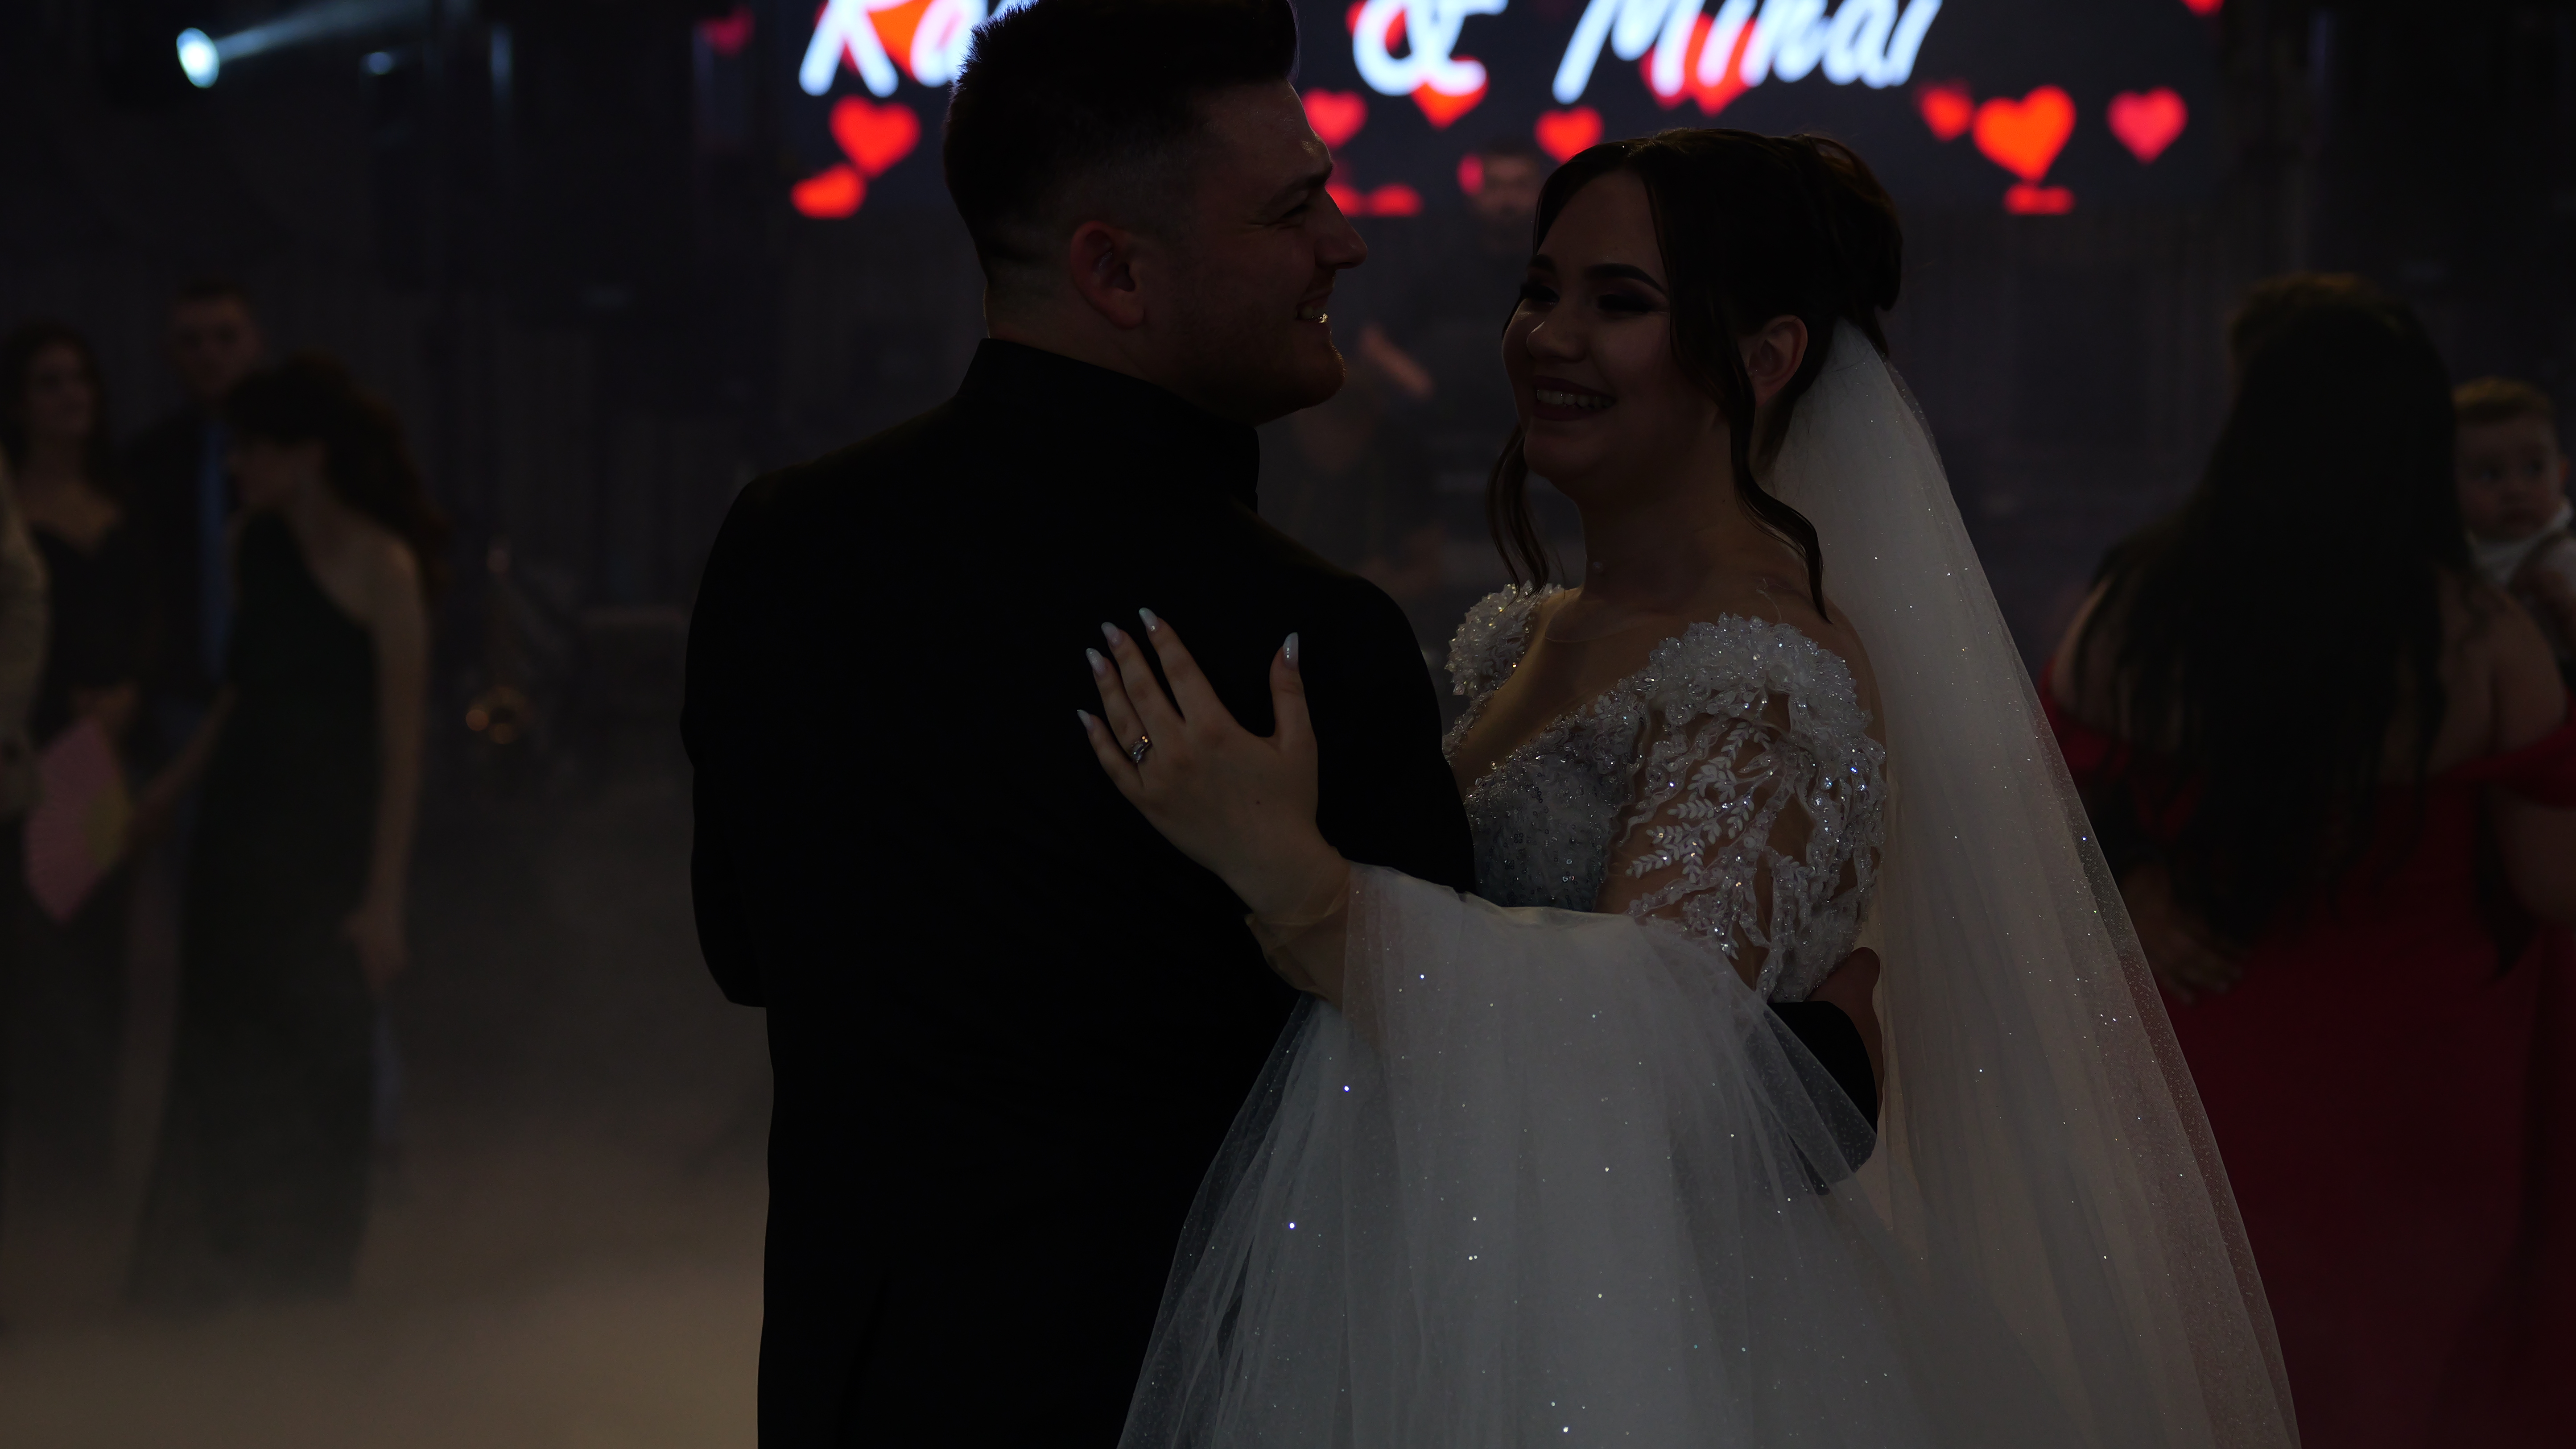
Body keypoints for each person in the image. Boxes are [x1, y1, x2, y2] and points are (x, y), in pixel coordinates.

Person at [684, 4, 1875, 1440]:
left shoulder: (783, 543)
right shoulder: (1301, 642)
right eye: (1291, 209)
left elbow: (743, 947)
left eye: (1611, 298)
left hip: (858, 1386)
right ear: (1115, 268)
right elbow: (1419, 1098)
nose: (1345, 243)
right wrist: (1812, 1076)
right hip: (1201, 1392)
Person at [1067, 130, 2296, 1445]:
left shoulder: (1758, 671)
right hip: (1466, 1271)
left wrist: (1305, 891)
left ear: (1765, 358)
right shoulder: (1525, 632)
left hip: (1644, 1336)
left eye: (1619, 302)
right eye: (1539, 289)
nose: (1550, 336)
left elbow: (1649, 1066)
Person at [2046, 295, 2576, 1447]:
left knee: (2209, 1374)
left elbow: (2038, 807)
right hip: (2421, 1091)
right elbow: (2553, 886)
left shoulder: (2137, 609)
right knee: (2403, 1378)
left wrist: (2132, 881)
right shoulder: (2480, 635)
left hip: (2207, 1052)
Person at [125, 353, 440, 1309]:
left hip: (326, 838)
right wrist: (173, 785)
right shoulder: (250, 542)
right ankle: (223, 1273)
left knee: (322, 1053)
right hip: (240, 830)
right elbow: (242, 688)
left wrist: (384, 898)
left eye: (251, 449)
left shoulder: (383, 565)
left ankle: (308, 1280)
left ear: (307, 455)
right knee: (226, 1050)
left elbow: (401, 743)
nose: (236, 466)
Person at [0, 321, 150, 1201]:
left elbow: (151, 616)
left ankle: (84, 1166)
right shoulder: (10, 506)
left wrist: (131, 695)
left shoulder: (119, 498)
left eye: (80, 380)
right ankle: (36, 1167)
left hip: (99, 754)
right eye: (50, 382)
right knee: (31, 966)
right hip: (29, 744)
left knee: (96, 958)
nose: (71, 396)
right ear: (19, 403)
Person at [124, 279, 263, 762]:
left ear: (255, 342)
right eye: (192, 341)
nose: (209, 355)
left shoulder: (295, 457)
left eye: (226, 337)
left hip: (281, 691)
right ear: (169, 353)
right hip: (181, 694)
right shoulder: (148, 461)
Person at [2454, 376, 2576, 673]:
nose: (2516, 490)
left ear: (2561, 474)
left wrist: (2567, 613)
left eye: (2534, 468)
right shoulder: (2456, 558)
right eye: (2490, 475)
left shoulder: (2563, 559)